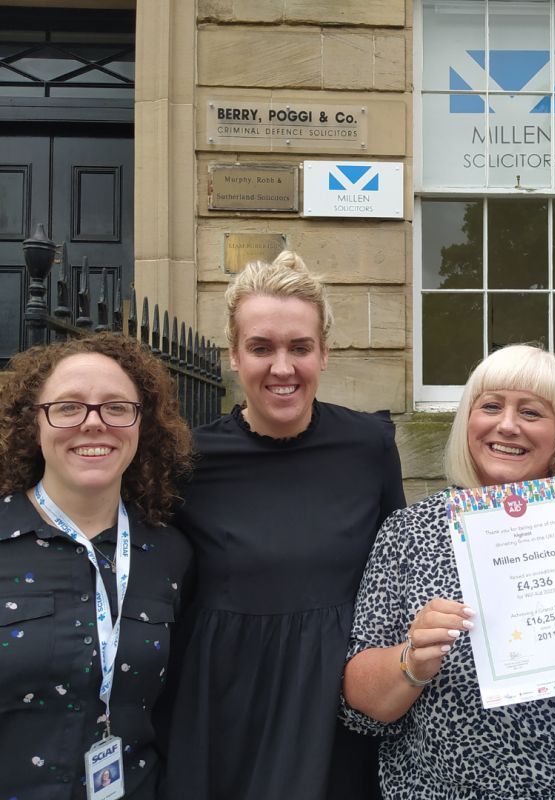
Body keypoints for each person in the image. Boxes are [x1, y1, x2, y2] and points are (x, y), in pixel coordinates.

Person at [342, 344, 555, 799]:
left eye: (531, 412)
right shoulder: (410, 531)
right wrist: (411, 662)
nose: (507, 425)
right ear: (467, 420)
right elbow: (360, 708)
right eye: (491, 406)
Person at [163, 252, 406, 800]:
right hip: (228, 702)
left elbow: (397, 572)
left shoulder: (368, 446)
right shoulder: (190, 461)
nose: (282, 368)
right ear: (233, 355)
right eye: (261, 348)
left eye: (299, 347)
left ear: (324, 353)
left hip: (335, 701)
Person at [0, 333, 193, 800]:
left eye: (116, 407)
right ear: (34, 422)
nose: (93, 423)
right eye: (68, 407)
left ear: (142, 423)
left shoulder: (170, 554)